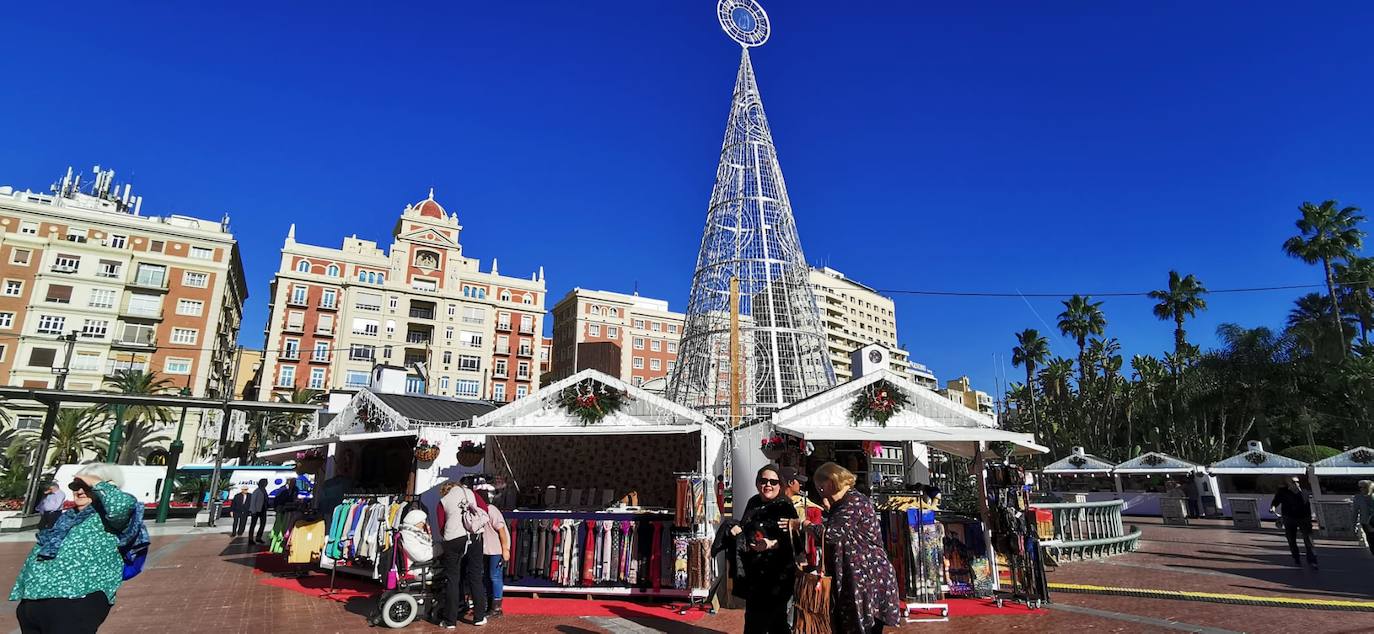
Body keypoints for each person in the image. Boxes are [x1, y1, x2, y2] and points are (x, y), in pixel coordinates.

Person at [10, 463, 137, 633]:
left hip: (75, 600)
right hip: (34, 601)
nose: (80, 491)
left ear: (108, 487)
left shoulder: (111, 517)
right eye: (76, 486)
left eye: (87, 486)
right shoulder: (68, 517)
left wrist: (97, 483)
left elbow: (120, 505)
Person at [812, 462, 901, 634]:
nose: (819, 490)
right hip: (859, 577)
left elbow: (831, 534)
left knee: (863, 628)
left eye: (820, 485)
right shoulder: (845, 502)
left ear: (831, 481)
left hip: (866, 578)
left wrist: (806, 525)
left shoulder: (852, 502)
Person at [729, 465, 798, 634]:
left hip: (777, 574)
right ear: (757, 483)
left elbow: (795, 541)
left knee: (769, 621)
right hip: (754, 572)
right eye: (764, 481)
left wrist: (772, 543)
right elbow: (747, 526)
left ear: (780, 485)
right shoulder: (753, 502)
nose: (768, 485)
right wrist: (738, 529)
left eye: (773, 482)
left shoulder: (784, 506)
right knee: (762, 621)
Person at [439, 480, 487, 627]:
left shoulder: (443, 501)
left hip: (453, 539)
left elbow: (441, 524)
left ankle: (450, 621)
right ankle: (479, 617)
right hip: (474, 535)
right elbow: (484, 508)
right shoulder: (471, 493)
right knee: (475, 576)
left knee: (452, 579)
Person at [1270, 476, 1318, 569]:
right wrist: (1273, 508)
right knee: (1291, 539)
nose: (1296, 484)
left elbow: (1306, 505)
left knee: (1308, 539)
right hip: (1289, 518)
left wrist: (1309, 519)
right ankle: (1296, 558)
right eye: (1293, 482)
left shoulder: (1304, 492)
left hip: (1303, 518)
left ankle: (1312, 560)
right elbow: (1276, 501)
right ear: (1289, 483)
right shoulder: (1283, 492)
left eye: (1297, 482)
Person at [476, 485, 510, 618]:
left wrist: (505, 549)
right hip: (486, 549)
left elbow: (501, 530)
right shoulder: (481, 511)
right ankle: (490, 604)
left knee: (494, 576)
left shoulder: (491, 510)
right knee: (487, 577)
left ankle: (497, 607)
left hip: (496, 549)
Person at [1353, 480, 1374, 555]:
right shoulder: (1358, 497)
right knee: (1371, 539)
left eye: (1364, 487)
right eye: (1360, 487)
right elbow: (1355, 512)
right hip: (1366, 522)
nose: (1361, 489)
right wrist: (1354, 525)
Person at [248, 479, 270, 545]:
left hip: (263, 509)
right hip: (256, 510)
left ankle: (258, 537)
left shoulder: (264, 490)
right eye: (265, 483)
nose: (266, 484)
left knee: (263, 524)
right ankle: (250, 539)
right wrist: (253, 511)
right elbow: (253, 502)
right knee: (253, 525)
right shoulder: (257, 491)